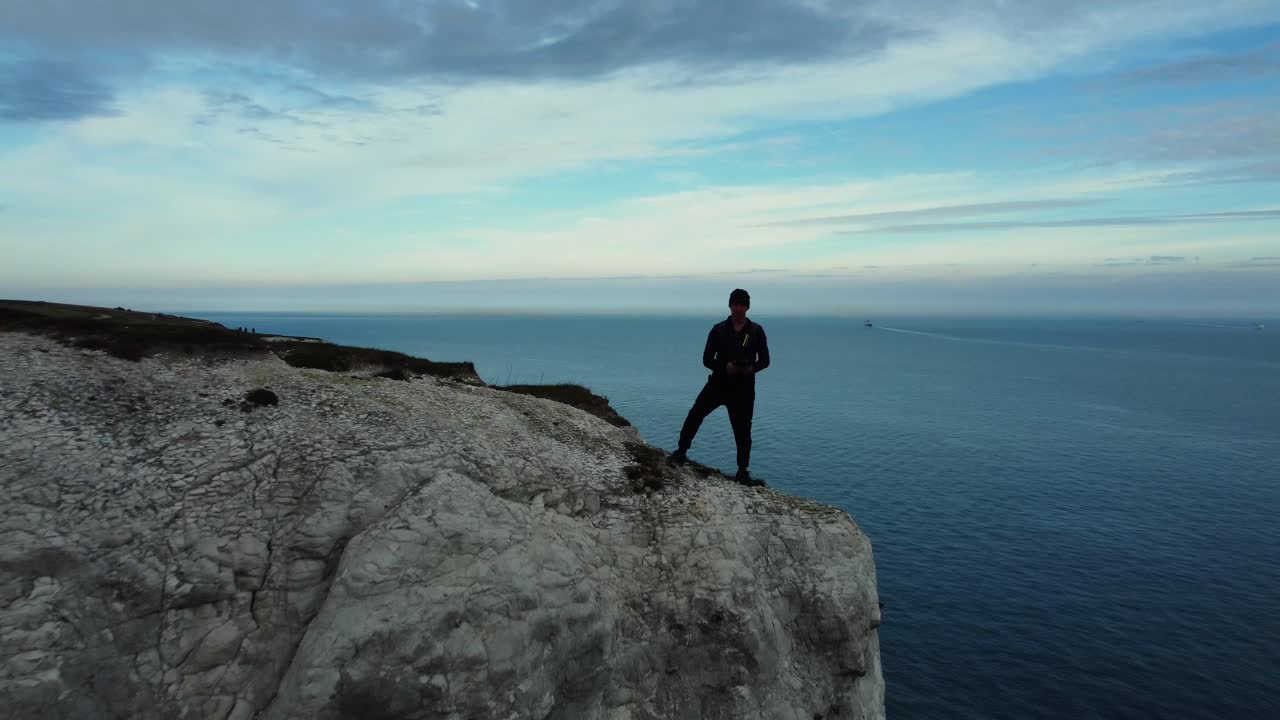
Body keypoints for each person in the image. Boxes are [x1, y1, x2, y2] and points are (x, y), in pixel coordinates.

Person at [670, 288, 770, 485]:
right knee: (695, 415)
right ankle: (680, 452)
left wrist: (751, 368)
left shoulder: (756, 331)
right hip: (718, 383)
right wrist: (725, 367)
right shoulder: (718, 330)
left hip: (743, 388)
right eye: (735, 304)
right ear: (730, 305)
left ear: (747, 307)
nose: (738, 308)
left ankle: (742, 472)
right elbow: (707, 359)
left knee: (743, 430)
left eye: (742, 304)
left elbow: (765, 361)